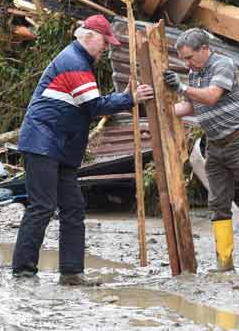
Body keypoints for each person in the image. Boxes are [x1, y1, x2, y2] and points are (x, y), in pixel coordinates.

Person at [11, 15, 154, 285]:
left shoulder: (79, 61)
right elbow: (95, 106)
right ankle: (23, 271)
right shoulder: (74, 63)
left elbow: (90, 102)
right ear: (88, 36)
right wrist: (130, 99)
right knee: (42, 206)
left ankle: (71, 273)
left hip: (58, 146)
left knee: (73, 208)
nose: (106, 48)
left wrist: (125, 97)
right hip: (43, 143)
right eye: (104, 42)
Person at [164, 28, 239, 274]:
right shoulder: (194, 72)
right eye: (184, 59)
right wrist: (161, 109)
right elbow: (191, 106)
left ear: (204, 49)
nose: (187, 63)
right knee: (218, 202)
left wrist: (181, 88)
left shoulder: (223, 65)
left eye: (190, 57)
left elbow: (210, 97)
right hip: (215, 144)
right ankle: (224, 261)